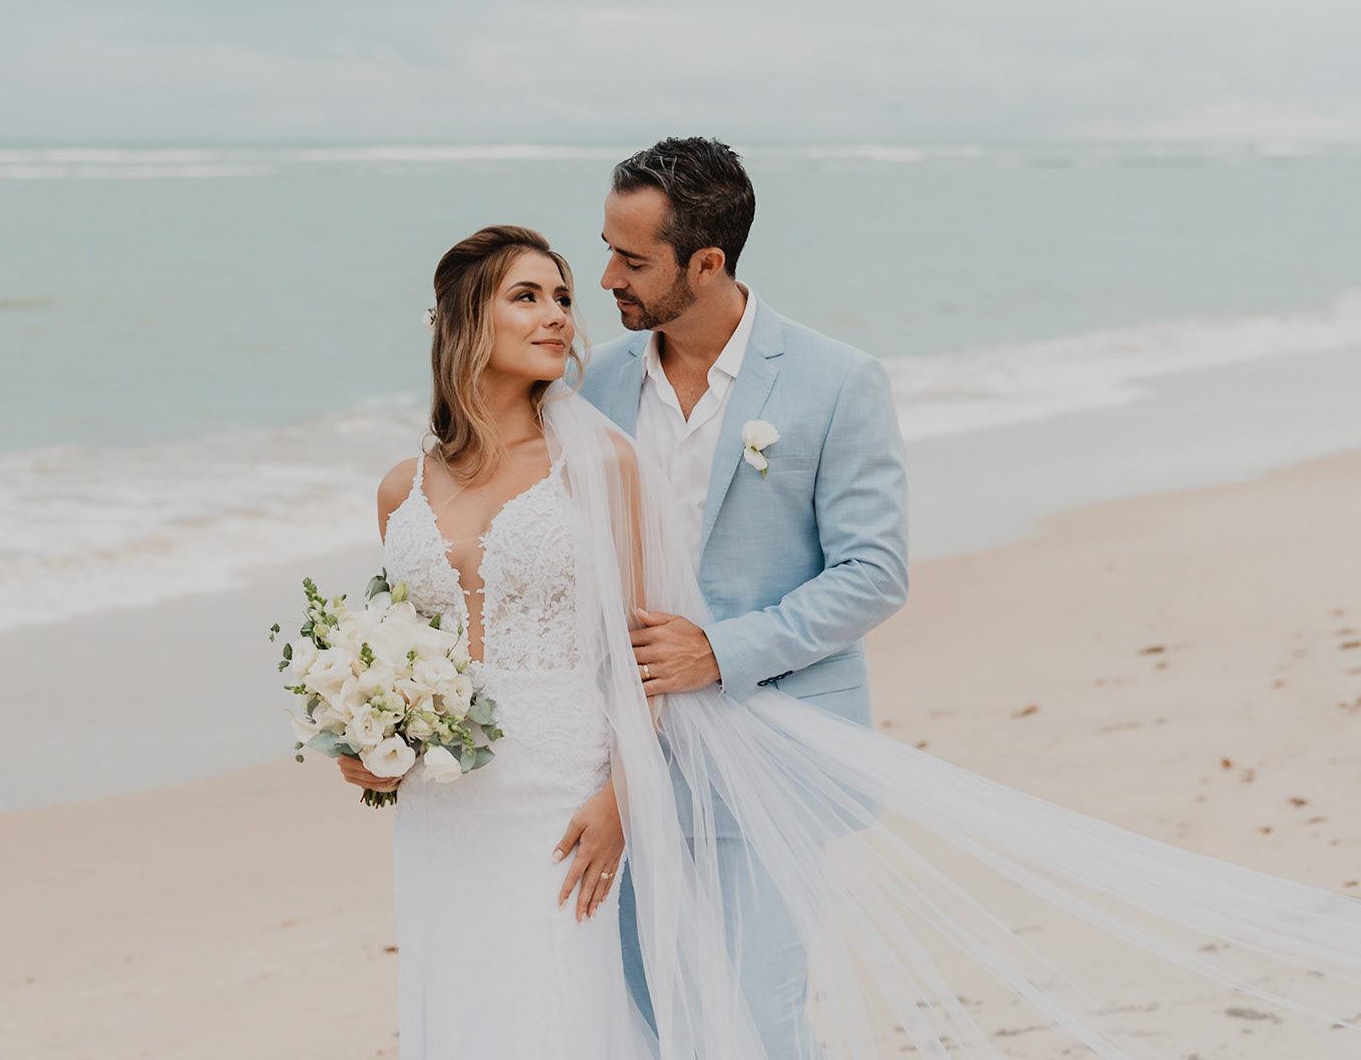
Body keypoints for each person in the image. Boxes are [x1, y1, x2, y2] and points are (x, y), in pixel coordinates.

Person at [333, 216, 1361, 1060]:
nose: (564, 310)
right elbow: (405, 646)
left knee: (579, 1008)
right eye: (532, 294)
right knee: (457, 994)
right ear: (465, 317)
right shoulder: (400, 488)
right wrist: (364, 730)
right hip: (444, 805)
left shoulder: (593, 465)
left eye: (567, 293)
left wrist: (619, 791)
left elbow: (636, 643)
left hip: (565, 788)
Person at [579, 137, 908, 1054]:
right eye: (607, 248)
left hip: (772, 748)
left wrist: (719, 652)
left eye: (632, 258)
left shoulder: (835, 381)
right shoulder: (594, 382)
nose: (606, 275)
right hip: (626, 763)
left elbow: (874, 572)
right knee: (644, 1013)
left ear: (708, 262)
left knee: (757, 1022)